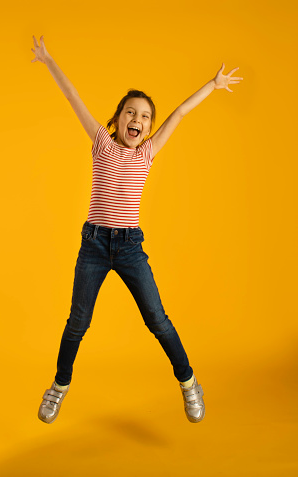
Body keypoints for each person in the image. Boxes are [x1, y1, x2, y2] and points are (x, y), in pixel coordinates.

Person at [31, 35, 243, 425]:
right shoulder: (100, 143)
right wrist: (48, 60)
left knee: (157, 320)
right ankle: (58, 388)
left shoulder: (147, 152)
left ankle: (189, 382)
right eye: (131, 113)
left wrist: (212, 86)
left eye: (145, 116)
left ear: (148, 128)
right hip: (94, 245)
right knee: (78, 321)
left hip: (129, 247)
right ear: (117, 119)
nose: (138, 120)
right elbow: (72, 95)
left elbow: (178, 113)